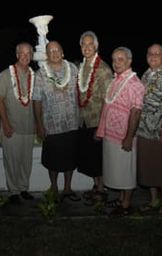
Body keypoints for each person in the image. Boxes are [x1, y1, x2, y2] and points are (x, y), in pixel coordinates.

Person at [96, 47, 145, 215]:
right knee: (119, 170)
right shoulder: (115, 79)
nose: (116, 63)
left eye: (121, 59)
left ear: (129, 61)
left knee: (126, 171)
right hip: (111, 135)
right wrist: (101, 130)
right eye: (114, 59)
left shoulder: (134, 84)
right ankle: (122, 199)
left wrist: (129, 137)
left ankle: (126, 205)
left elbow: (136, 112)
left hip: (124, 136)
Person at [32, 41, 80, 201]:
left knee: (70, 157)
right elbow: (37, 100)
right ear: (46, 55)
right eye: (50, 51)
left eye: (57, 50)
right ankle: (54, 186)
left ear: (62, 52)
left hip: (72, 123)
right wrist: (39, 124)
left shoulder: (73, 69)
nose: (54, 53)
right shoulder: (40, 74)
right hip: (51, 124)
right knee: (53, 159)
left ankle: (67, 188)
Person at [137, 43, 162, 215]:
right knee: (148, 168)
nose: (153, 56)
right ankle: (154, 200)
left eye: (157, 54)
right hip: (144, 129)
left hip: (159, 130)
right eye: (150, 53)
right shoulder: (146, 74)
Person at [0, 42, 35, 203]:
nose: (25, 56)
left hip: (29, 127)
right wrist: (5, 124)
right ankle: (13, 191)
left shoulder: (34, 75)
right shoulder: (5, 75)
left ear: (31, 56)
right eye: (22, 53)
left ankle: (23, 188)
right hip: (12, 126)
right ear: (17, 55)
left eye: (28, 54)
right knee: (12, 161)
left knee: (26, 161)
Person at [76, 31, 112, 202]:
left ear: (96, 46)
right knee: (90, 157)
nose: (87, 47)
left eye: (90, 44)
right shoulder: (82, 68)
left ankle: (101, 189)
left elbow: (108, 101)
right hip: (84, 120)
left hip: (97, 121)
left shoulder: (103, 69)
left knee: (99, 158)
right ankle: (96, 186)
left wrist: (102, 126)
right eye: (84, 44)